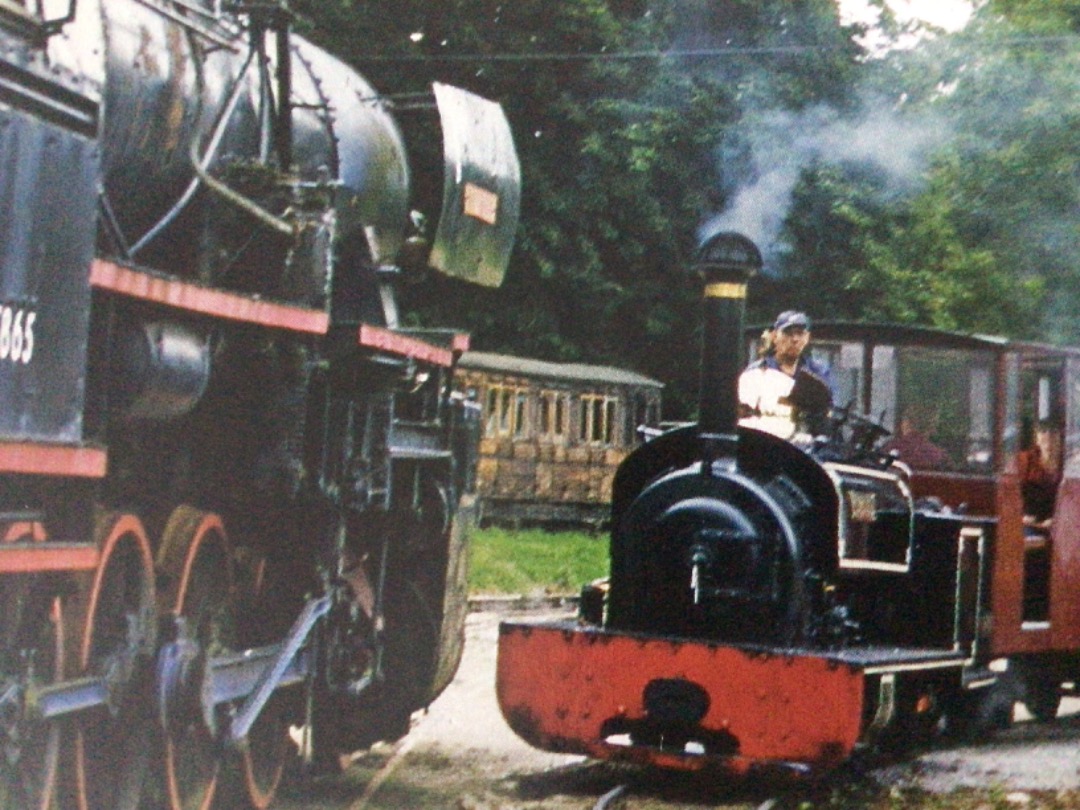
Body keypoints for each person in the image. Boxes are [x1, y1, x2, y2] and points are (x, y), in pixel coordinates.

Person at [738, 310, 833, 439]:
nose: (795, 339)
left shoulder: (818, 372)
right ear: (775, 336)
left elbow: (827, 412)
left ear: (807, 337)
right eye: (788, 333)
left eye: (800, 334)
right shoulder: (757, 372)